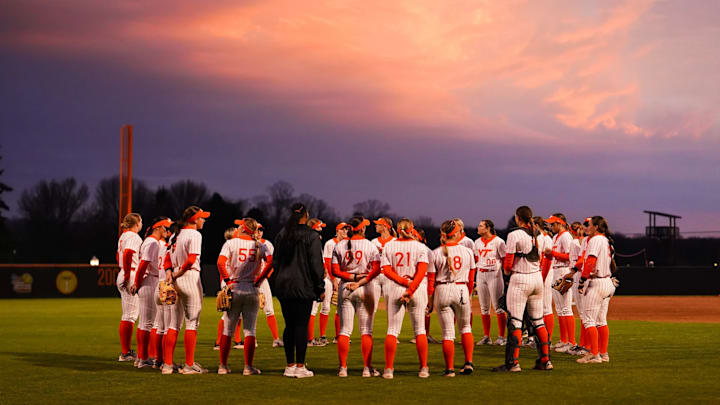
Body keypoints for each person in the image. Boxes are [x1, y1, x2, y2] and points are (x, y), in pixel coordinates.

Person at [492, 206, 552, 372]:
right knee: (538, 321)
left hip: (520, 279)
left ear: (518, 218)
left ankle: (513, 363)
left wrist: (506, 275)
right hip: (537, 278)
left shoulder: (514, 234)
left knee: (516, 321)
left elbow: (509, 263)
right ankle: (546, 360)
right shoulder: (539, 234)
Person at [270, 203, 325, 378]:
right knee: (301, 325)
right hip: (303, 285)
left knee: (289, 326)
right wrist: (320, 287)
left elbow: (275, 262)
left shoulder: (282, 234)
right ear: (306, 215)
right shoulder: (311, 235)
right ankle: (300, 367)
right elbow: (316, 265)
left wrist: (277, 282)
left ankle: (289, 365)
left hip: (283, 286)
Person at [216, 218, 273, 375]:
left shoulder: (231, 243)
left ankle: (223, 366)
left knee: (228, 329)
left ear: (243, 228)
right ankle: (248, 367)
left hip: (235, 286)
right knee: (250, 330)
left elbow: (220, 263)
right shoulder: (260, 245)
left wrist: (227, 281)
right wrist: (260, 279)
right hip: (252, 288)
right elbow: (271, 262)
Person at [331, 216, 383, 377]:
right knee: (366, 331)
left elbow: (335, 271)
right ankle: (367, 369)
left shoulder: (339, 245)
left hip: (345, 287)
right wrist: (360, 279)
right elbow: (376, 269)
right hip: (365, 287)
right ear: (362, 229)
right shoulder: (370, 245)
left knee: (345, 330)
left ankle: (343, 368)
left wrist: (351, 278)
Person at [162, 206, 210, 375]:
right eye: (201, 218)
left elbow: (166, 258)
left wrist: (170, 274)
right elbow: (191, 260)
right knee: (192, 323)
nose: (203, 220)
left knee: (173, 325)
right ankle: (189, 365)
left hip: (174, 279)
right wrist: (178, 273)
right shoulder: (195, 234)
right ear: (194, 219)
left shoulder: (176, 234)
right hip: (189, 277)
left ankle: (167, 365)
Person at [380, 218, 430, 379]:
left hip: (395, 287)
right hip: (417, 289)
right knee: (420, 330)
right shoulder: (420, 246)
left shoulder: (389, 245)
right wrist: (411, 288)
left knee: (392, 330)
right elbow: (422, 272)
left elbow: (386, 270)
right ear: (412, 229)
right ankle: (423, 368)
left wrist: (403, 282)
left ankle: (388, 369)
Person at [429, 219, 477, 377]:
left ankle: (449, 369)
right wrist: (468, 295)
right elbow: (471, 278)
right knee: (466, 328)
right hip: (462, 288)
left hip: (442, 289)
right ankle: (468, 362)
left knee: (448, 334)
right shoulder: (467, 251)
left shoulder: (435, 252)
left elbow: (431, 281)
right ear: (456, 233)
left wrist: (430, 301)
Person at [129, 217, 172, 368]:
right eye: (165, 228)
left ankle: (141, 358)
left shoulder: (150, 241)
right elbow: (143, 263)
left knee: (144, 323)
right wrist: (137, 282)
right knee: (147, 323)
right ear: (158, 228)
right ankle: (143, 358)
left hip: (148, 280)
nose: (167, 231)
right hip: (149, 281)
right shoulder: (152, 242)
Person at [575, 216, 616, 364]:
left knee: (588, 320)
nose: (586, 227)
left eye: (589, 225)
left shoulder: (595, 240)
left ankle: (594, 354)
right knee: (601, 321)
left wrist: (582, 280)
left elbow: (590, 262)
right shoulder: (605, 240)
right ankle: (603, 354)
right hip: (607, 281)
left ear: (596, 227)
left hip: (596, 283)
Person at [473, 219, 508, 346]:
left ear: (487, 228)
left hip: (494, 274)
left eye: (481, 226)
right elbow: (477, 258)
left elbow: (504, 259)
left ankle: (501, 337)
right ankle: (486, 336)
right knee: (484, 308)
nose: (478, 227)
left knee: (498, 307)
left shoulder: (499, 241)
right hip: (481, 274)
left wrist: (505, 276)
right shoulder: (477, 242)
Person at [545, 214, 575, 353]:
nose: (551, 226)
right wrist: (550, 255)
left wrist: (553, 253)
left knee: (566, 308)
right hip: (556, 270)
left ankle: (572, 342)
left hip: (564, 271)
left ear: (560, 223)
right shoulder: (555, 237)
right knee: (560, 309)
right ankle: (564, 340)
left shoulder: (565, 236)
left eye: (553, 224)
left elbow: (570, 257)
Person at [117, 213, 142, 362]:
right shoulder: (133, 236)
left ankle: (126, 351)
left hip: (125, 271)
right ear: (137, 223)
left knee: (128, 314)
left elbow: (118, 255)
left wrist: (123, 271)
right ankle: (125, 353)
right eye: (141, 221)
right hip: (130, 273)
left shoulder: (123, 236)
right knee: (130, 316)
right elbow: (128, 253)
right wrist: (127, 275)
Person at [306, 218, 333, 346]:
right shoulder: (310, 242)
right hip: (313, 279)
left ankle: (315, 337)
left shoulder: (313, 241)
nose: (321, 230)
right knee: (312, 309)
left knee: (319, 308)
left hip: (318, 278)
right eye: (318, 227)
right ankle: (310, 339)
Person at [323, 222, 349, 343]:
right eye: (342, 230)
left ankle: (338, 336)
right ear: (337, 231)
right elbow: (327, 263)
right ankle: (323, 336)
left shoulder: (349, 242)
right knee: (326, 307)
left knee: (341, 309)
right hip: (330, 278)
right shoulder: (330, 243)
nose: (345, 232)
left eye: (346, 230)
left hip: (343, 277)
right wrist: (333, 280)